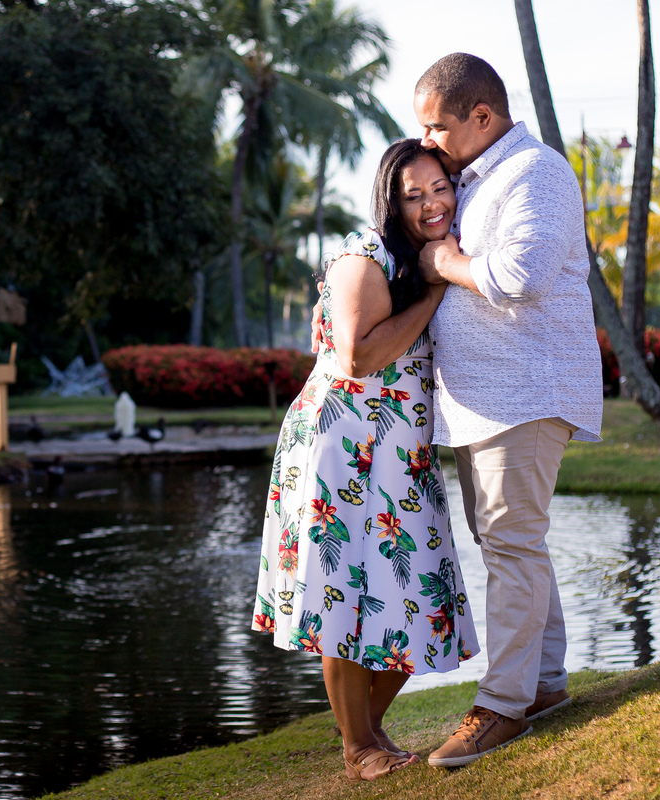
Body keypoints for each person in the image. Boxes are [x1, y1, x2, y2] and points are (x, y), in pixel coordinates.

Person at [252, 138, 480, 782]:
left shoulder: (424, 255)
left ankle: (367, 732)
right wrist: (434, 291)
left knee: (414, 597)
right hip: (341, 449)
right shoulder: (367, 254)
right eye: (415, 195)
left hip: (400, 456)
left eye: (441, 188)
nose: (432, 202)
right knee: (343, 600)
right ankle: (359, 749)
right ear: (391, 199)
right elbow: (356, 358)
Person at [409, 53, 603, 767]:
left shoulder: (536, 173)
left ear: (481, 117)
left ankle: (501, 707)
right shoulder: (475, 177)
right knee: (510, 544)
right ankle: (543, 685)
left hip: (526, 393)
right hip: (488, 403)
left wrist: (444, 264)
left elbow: (518, 277)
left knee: (511, 548)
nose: (427, 140)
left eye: (437, 126)